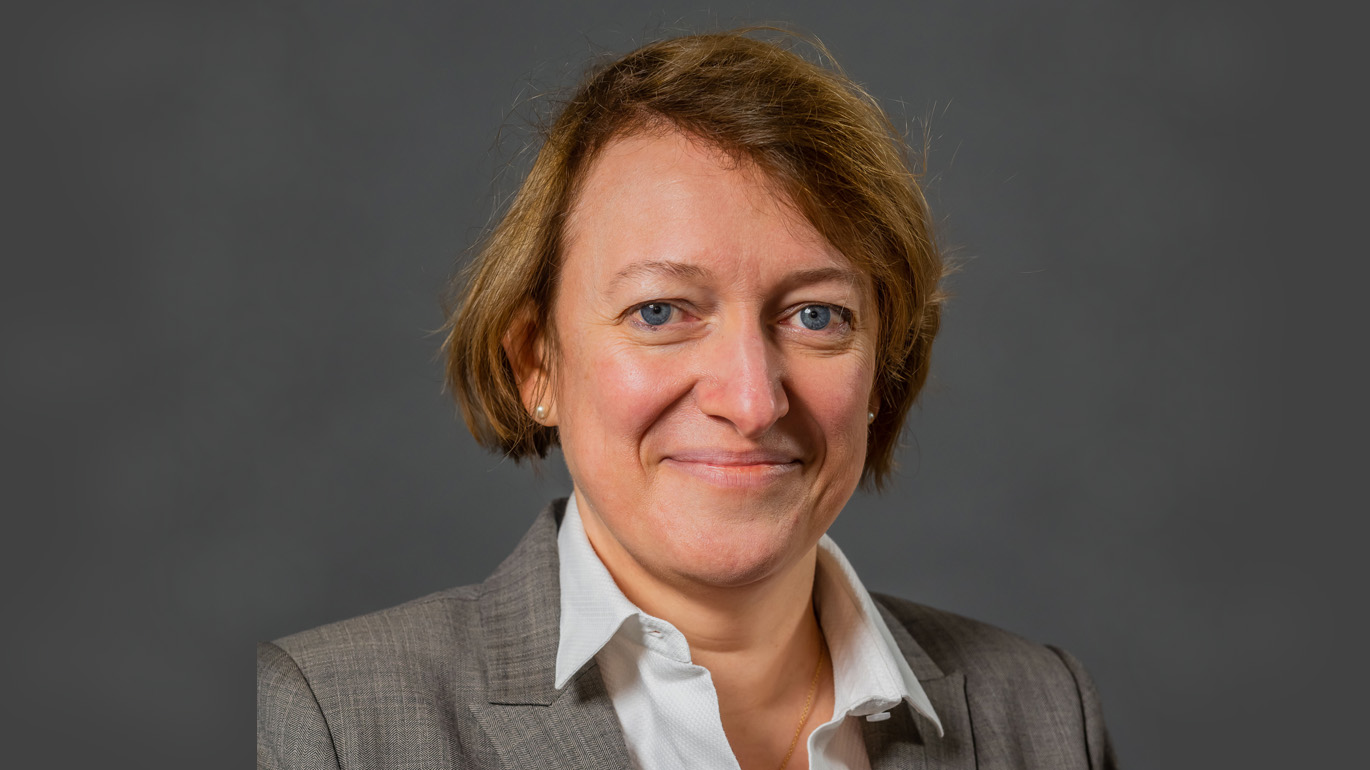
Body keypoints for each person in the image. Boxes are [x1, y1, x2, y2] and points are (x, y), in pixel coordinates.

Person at [257, 30, 1117, 770]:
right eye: (661, 312)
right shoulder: (328, 725)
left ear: (881, 369)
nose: (751, 401)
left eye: (816, 316)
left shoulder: (1042, 714)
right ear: (536, 365)